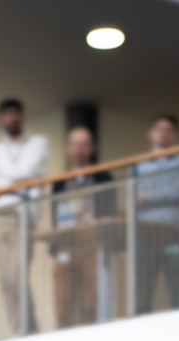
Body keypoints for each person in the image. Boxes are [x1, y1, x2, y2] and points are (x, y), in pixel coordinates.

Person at [0, 99, 49, 335]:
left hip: (25, 213)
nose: (11, 119)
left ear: (22, 116)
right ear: (0, 119)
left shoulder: (38, 143)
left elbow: (29, 170)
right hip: (1, 215)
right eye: (6, 115)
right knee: (6, 279)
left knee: (19, 275)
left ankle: (30, 330)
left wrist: (6, 181)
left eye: (15, 114)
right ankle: (18, 330)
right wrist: (17, 182)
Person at [50, 126, 115, 328]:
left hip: (92, 246)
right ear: (68, 148)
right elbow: (55, 215)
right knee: (63, 303)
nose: (78, 149)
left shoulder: (103, 178)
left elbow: (109, 212)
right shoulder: (59, 183)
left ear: (92, 148)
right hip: (66, 248)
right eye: (74, 144)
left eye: (83, 144)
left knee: (90, 304)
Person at [133, 114, 179, 314]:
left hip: (174, 232)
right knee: (142, 290)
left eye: (169, 130)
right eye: (159, 129)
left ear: (175, 135)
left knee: (178, 288)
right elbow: (133, 197)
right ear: (151, 133)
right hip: (145, 234)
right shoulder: (137, 165)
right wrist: (168, 198)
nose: (164, 134)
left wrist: (147, 197)